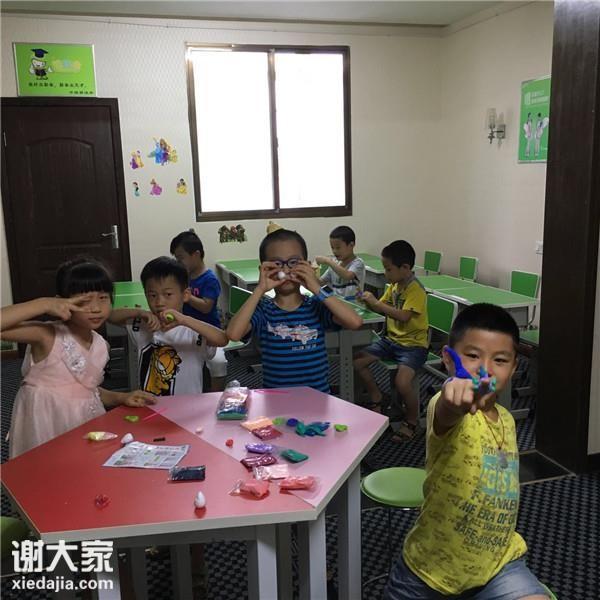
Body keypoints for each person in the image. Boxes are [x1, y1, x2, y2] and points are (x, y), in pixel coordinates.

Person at [384, 303, 548, 600]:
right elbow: (447, 410)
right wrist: (454, 398)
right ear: (448, 359)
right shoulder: (445, 405)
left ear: (514, 367)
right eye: (472, 356)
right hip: (429, 569)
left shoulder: (508, 420)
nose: (485, 369)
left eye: (500, 360)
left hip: (498, 563)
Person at [0, 257, 156, 459]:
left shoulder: (101, 345)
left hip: (83, 421)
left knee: (84, 467)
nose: (96, 308)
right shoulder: (47, 336)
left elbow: (86, 391)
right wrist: (44, 304)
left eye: (103, 298)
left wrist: (121, 397)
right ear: (62, 302)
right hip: (46, 423)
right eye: (84, 301)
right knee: (48, 470)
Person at [226, 228, 362, 393]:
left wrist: (316, 287)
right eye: (277, 264)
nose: (286, 270)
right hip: (277, 399)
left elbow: (354, 322)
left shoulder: (316, 305)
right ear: (264, 269)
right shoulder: (264, 310)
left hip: (316, 397)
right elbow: (234, 334)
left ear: (306, 265)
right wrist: (260, 289)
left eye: (294, 262)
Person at [109, 256, 228, 396]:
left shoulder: (192, 330)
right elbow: (110, 316)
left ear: (185, 295)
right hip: (151, 404)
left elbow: (222, 339)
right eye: (152, 295)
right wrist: (140, 312)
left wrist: (184, 320)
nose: (159, 302)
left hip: (188, 405)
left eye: (168, 294)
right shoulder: (144, 325)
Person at [354, 240, 428, 441]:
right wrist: (367, 301)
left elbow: (404, 316)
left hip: (413, 346)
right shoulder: (395, 285)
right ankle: (377, 396)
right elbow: (381, 306)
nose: (385, 273)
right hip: (391, 340)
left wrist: (377, 304)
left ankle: (411, 420)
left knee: (402, 383)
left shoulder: (415, 289)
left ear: (405, 268)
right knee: (357, 362)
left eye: (388, 269)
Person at [170, 230, 228, 391]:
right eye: (176, 258)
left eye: (180, 258)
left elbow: (206, 306)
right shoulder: (183, 278)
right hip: (186, 333)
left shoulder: (209, 279)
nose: (178, 262)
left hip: (210, 335)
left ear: (195, 255)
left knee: (218, 363)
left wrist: (187, 297)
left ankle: (216, 395)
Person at [316, 225, 365, 300]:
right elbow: (320, 282)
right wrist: (310, 272)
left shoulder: (358, 263)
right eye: (332, 247)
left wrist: (328, 261)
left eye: (338, 248)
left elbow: (347, 276)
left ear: (351, 245)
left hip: (354, 304)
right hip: (338, 303)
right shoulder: (334, 264)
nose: (334, 251)